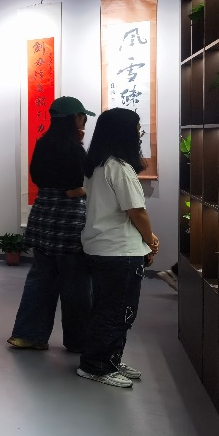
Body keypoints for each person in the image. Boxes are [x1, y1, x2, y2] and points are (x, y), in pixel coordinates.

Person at [76, 108, 157, 388]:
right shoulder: (120, 168)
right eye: (137, 129)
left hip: (101, 248)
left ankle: (109, 359)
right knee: (117, 311)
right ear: (124, 133)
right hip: (119, 251)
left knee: (108, 308)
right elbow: (137, 211)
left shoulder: (98, 165)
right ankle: (96, 366)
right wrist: (151, 240)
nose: (139, 134)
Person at [7, 97, 94, 352]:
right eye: (83, 117)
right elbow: (73, 189)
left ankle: (27, 335)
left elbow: (38, 178)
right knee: (76, 284)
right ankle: (79, 341)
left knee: (40, 279)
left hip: (43, 217)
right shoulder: (74, 149)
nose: (85, 121)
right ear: (74, 118)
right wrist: (92, 191)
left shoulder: (42, 144)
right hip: (69, 223)